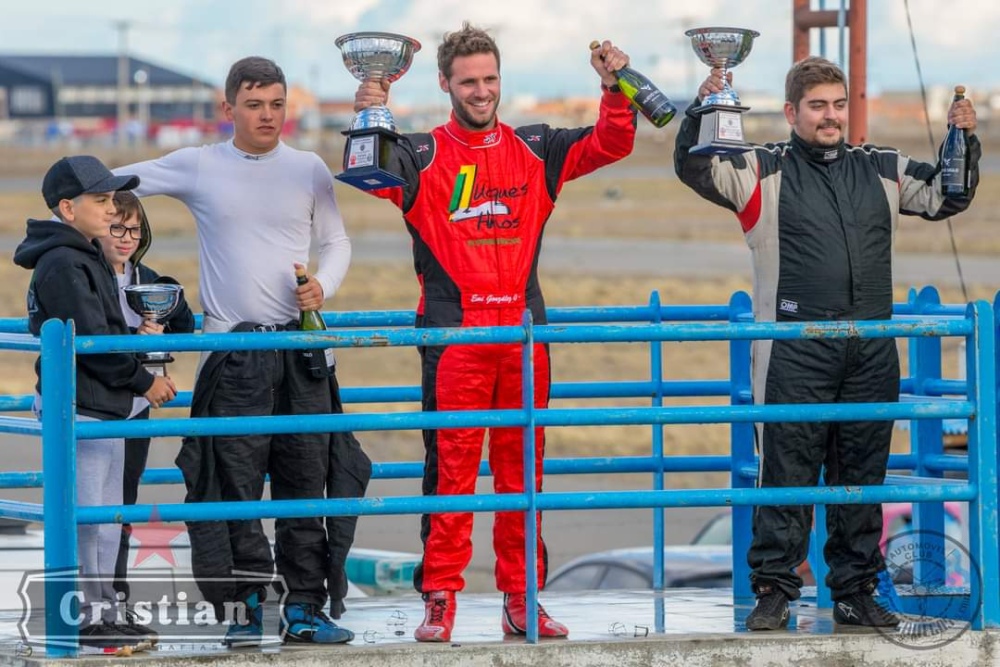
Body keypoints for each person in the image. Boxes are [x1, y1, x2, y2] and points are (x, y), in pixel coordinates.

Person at [351, 23, 637, 641]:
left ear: (500, 80)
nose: (481, 91)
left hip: (526, 334)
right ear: (445, 85)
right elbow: (366, 170)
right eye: (469, 82)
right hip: (455, 337)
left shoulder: (537, 145)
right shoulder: (420, 153)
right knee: (449, 475)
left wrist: (614, 87)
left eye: (489, 80)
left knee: (522, 479)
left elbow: (613, 143)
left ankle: (522, 598)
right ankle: (441, 601)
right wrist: (371, 107)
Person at [674, 56, 980, 630]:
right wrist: (705, 107)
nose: (830, 116)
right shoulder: (761, 170)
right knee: (785, 476)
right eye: (817, 107)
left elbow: (947, 196)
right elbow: (696, 169)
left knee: (861, 480)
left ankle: (856, 593)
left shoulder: (883, 166)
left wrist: (961, 137)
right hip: (793, 347)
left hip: (870, 349)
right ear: (792, 112)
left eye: (838, 105)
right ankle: (775, 592)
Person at [114, 56, 369, 647]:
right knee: (231, 488)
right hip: (232, 355)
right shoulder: (199, 165)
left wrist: (322, 287)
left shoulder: (308, 168)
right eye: (254, 105)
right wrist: (77, 223)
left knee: (309, 483)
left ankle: (306, 608)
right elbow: (110, 183)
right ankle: (246, 608)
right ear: (227, 109)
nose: (268, 116)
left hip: (302, 350)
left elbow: (336, 241)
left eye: (277, 104)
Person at [13, 156, 178, 648]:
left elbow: (103, 333)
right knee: (89, 518)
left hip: (103, 405)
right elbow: (91, 338)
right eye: (101, 201)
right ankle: (88, 613)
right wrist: (142, 381)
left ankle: (105, 608)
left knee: (108, 515)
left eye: (112, 200)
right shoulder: (64, 262)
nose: (110, 211)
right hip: (83, 406)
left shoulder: (82, 255)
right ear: (68, 207)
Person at [100, 191, 195, 634]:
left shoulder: (147, 276)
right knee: (94, 508)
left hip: (138, 407)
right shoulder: (90, 278)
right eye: (116, 227)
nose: (125, 238)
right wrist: (133, 336)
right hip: (99, 407)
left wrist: (169, 307)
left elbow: (186, 323)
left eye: (134, 230)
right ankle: (93, 605)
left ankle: (118, 602)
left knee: (125, 502)